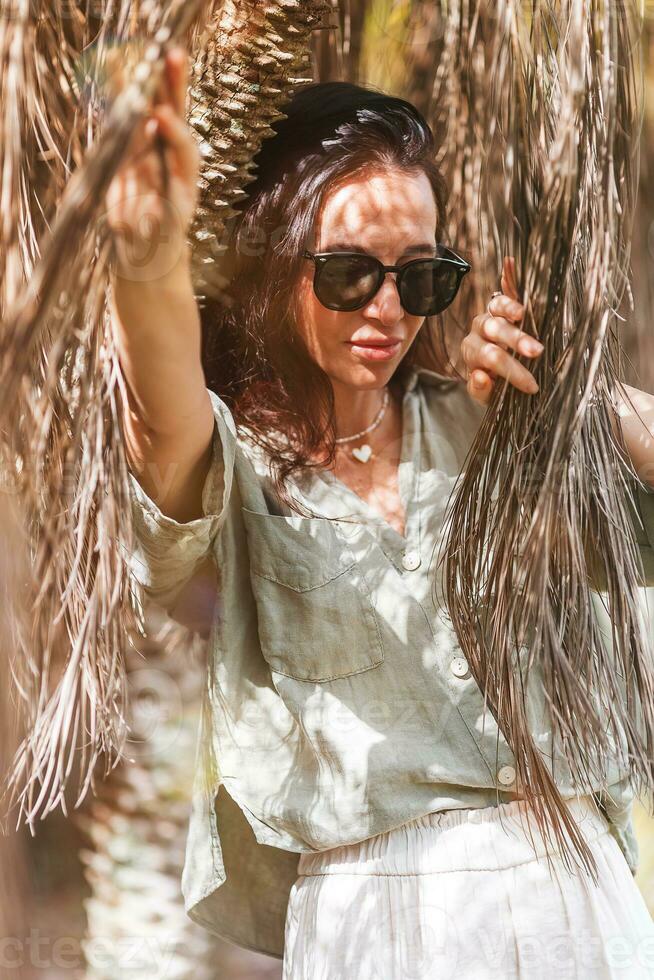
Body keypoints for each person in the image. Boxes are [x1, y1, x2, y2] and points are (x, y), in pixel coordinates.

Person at [107, 46, 654, 979]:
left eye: (424, 276)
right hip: (374, 925)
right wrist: (148, 251)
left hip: (570, 899)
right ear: (278, 261)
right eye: (350, 272)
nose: (390, 309)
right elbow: (161, 399)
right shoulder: (237, 469)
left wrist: (573, 395)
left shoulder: (487, 423)